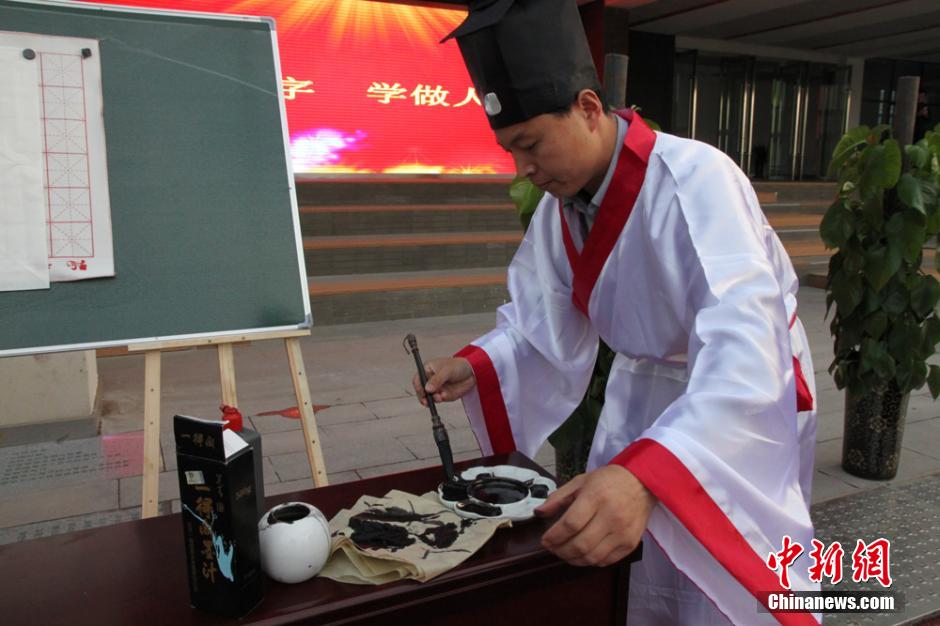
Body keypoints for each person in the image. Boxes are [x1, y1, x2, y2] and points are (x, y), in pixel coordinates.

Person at [414, 1, 820, 623]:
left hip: (734, 403)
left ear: (586, 108)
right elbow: (540, 319)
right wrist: (482, 363)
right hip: (642, 391)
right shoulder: (562, 209)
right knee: (639, 564)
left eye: (529, 145)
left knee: (726, 570)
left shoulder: (697, 179)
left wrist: (652, 474)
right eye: (508, 149)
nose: (522, 169)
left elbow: (746, 344)